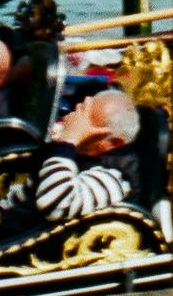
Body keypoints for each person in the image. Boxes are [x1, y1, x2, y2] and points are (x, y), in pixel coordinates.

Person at [24, 88, 145, 219]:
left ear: (114, 142)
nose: (74, 122)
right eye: (81, 113)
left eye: (86, 121)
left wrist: (69, 140)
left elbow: (55, 206)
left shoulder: (116, 179)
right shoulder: (76, 153)